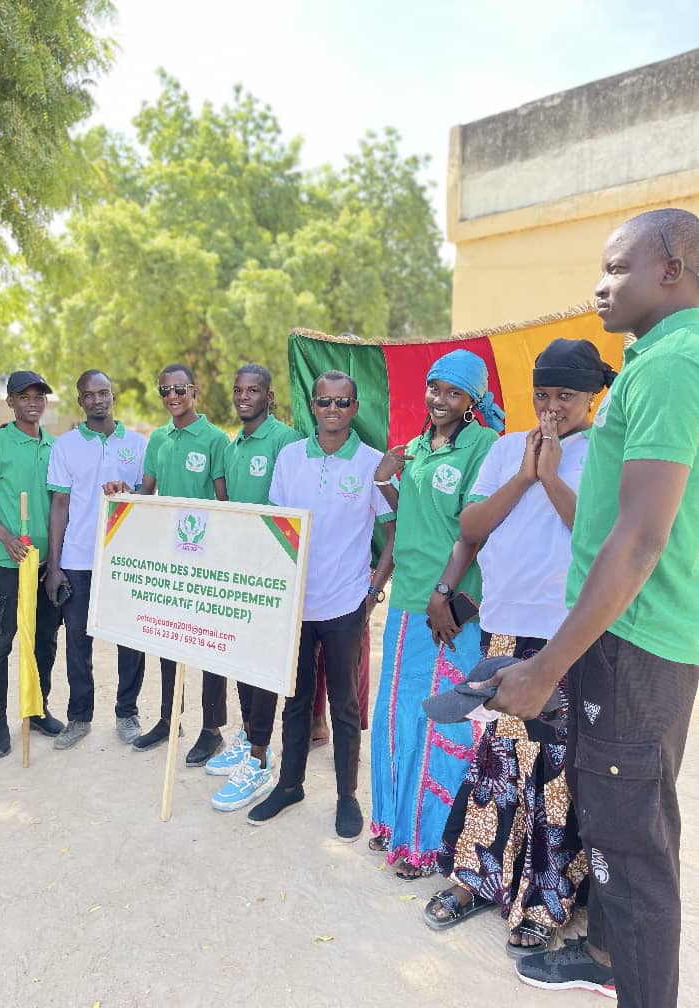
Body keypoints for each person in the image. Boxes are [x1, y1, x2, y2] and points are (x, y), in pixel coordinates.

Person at [486, 208, 699, 1007]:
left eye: (617, 268)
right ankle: (607, 959)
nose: (600, 285)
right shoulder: (661, 360)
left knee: (632, 853)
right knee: (613, 825)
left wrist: (548, 666)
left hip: (635, 645)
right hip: (629, 640)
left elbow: (639, 541)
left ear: (673, 267)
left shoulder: (675, 364)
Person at [422, 339, 616, 955]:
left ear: (593, 397)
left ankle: (546, 896)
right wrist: (526, 472)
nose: (551, 406)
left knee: (556, 767)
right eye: (542, 395)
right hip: (505, 624)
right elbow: (472, 528)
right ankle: (477, 874)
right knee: (502, 754)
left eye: (565, 395)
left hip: (568, 632)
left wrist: (554, 475)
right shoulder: (508, 448)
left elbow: (599, 536)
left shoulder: (607, 453)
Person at [369, 350, 502, 878]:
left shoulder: (483, 447)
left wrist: (443, 592)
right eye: (433, 388)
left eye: (453, 392)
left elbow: (473, 529)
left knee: (443, 722)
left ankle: (429, 844)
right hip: (407, 603)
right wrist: (385, 482)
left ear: (473, 400)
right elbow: (413, 521)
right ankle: (392, 826)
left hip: (448, 610)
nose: (440, 400)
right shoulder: (419, 446)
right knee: (396, 718)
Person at [248, 370, 395, 840]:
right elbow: (277, 528)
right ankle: (290, 785)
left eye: (342, 402)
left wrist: (372, 592)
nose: (332, 410)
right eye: (324, 402)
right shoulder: (290, 458)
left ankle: (347, 796)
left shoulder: (372, 463)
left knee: (345, 705)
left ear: (354, 408)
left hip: (346, 602)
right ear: (313, 405)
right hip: (295, 605)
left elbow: (394, 534)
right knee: (295, 699)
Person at [105, 364, 229, 761]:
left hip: (207, 559)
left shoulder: (215, 439)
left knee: (209, 645)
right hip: (170, 559)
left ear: (194, 390)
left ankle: (212, 729)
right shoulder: (157, 438)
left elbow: (224, 502)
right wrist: (127, 494)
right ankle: (167, 718)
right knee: (169, 639)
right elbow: (147, 493)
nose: (172, 396)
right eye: (165, 390)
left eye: (179, 388)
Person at [205, 363, 302, 811]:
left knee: (263, 665)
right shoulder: (231, 444)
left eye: (254, 390)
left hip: (272, 574)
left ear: (269, 395)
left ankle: (261, 758)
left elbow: (292, 511)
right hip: (237, 572)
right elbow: (226, 506)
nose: (244, 396)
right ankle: (247, 737)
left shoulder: (284, 441)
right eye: (238, 390)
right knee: (241, 658)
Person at [45, 370, 148, 750]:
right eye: (90, 395)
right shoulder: (66, 446)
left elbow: (146, 497)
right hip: (77, 557)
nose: (98, 399)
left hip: (124, 559)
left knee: (129, 639)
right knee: (77, 642)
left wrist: (129, 493)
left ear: (113, 395)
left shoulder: (137, 444)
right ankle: (79, 716)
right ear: (81, 402)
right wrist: (54, 566)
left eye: (103, 392)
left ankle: (127, 712)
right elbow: (59, 506)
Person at [0, 371, 64, 758]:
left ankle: (37, 710)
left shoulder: (56, 447)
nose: (33, 402)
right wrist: (3, 536)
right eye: (25, 396)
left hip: (45, 563)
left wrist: (56, 559)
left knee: (44, 643)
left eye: (39, 396)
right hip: (7, 562)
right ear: (11, 402)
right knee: (1, 643)